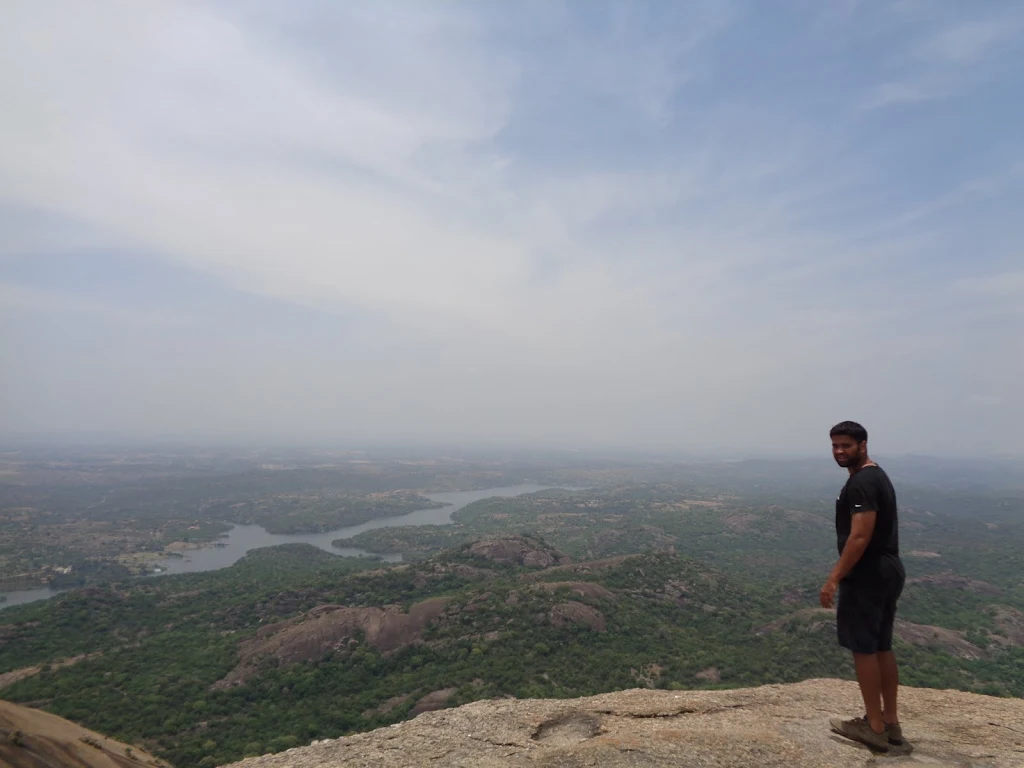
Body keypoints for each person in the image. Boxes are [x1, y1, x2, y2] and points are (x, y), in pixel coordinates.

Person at [820, 421, 906, 752]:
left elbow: (860, 535)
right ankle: (891, 722)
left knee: (864, 648)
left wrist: (834, 578)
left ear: (863, 445)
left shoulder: (861, 484)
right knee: (882, 645)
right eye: (834, 446)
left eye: (846, 446)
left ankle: (873, 726)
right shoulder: (876, 475)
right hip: (888, 570)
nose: (839, 452)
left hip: (867, 573)